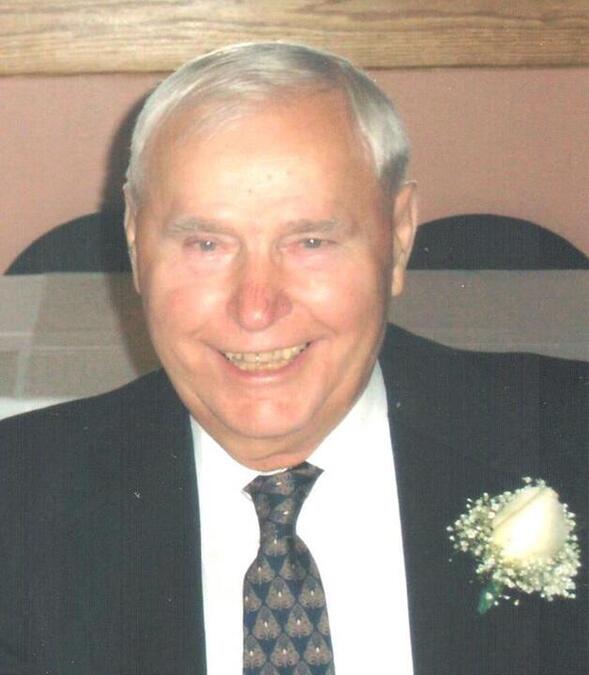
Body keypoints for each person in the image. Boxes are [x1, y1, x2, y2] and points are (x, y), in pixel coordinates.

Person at [0, 42, 586, 675]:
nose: (256, 307)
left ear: (398, 235)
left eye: (310, 241)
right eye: (206, 244)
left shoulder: (565, 437)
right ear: (136, 241)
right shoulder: (19, 506)